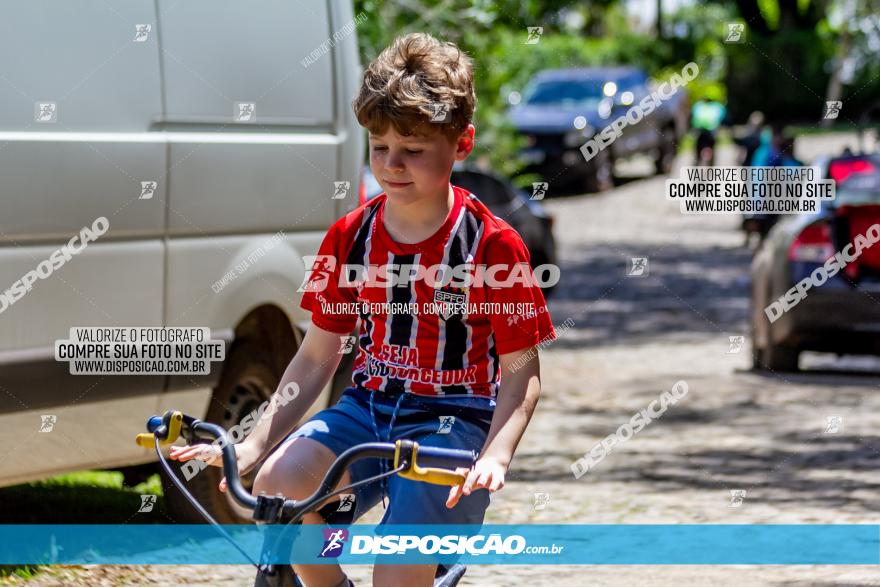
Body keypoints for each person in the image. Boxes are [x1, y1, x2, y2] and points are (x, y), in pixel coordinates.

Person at [170, 32, 556, 587]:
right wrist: (252, 443)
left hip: (453, 422)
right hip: (368, 409)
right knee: (279, 490)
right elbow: (316, 356)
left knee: (396, 572)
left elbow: (522, 375)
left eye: (413, 150)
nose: (392, 165)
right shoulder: (351, 236)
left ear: (462, 143)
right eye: (379, 148)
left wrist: (496, 454)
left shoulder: (492, 245)